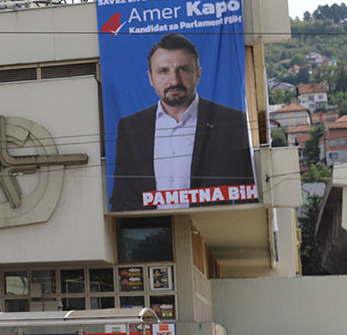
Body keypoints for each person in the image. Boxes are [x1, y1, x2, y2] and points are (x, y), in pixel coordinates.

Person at [109, 32, 255, 211]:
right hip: (155, 234)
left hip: (213, 232)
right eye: (164, 71)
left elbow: (246, 191)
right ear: (150, 78)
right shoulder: (130, 127)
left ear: (198, 74)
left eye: (183, 69)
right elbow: (121, 199)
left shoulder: (231, 122)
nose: (174, 80)